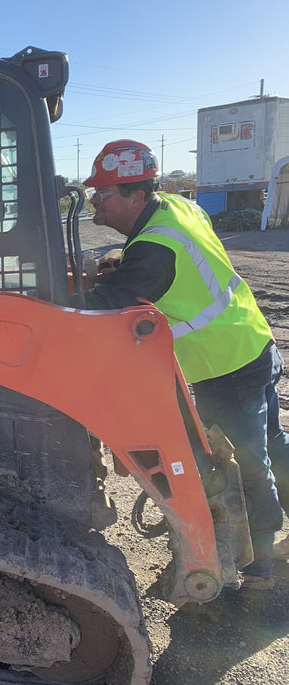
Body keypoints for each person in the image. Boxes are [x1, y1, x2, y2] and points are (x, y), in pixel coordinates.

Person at [74, 139, 289, 589]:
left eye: (104, 193)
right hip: (253, 340)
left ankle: (262, 565)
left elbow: (100, 307)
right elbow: (160, 270)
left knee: (248, 461)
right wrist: (122, 265)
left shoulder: (153, 251)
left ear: (135, 194)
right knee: (272, 442)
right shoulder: (174, 206)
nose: (95, 200)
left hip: (224, 364)